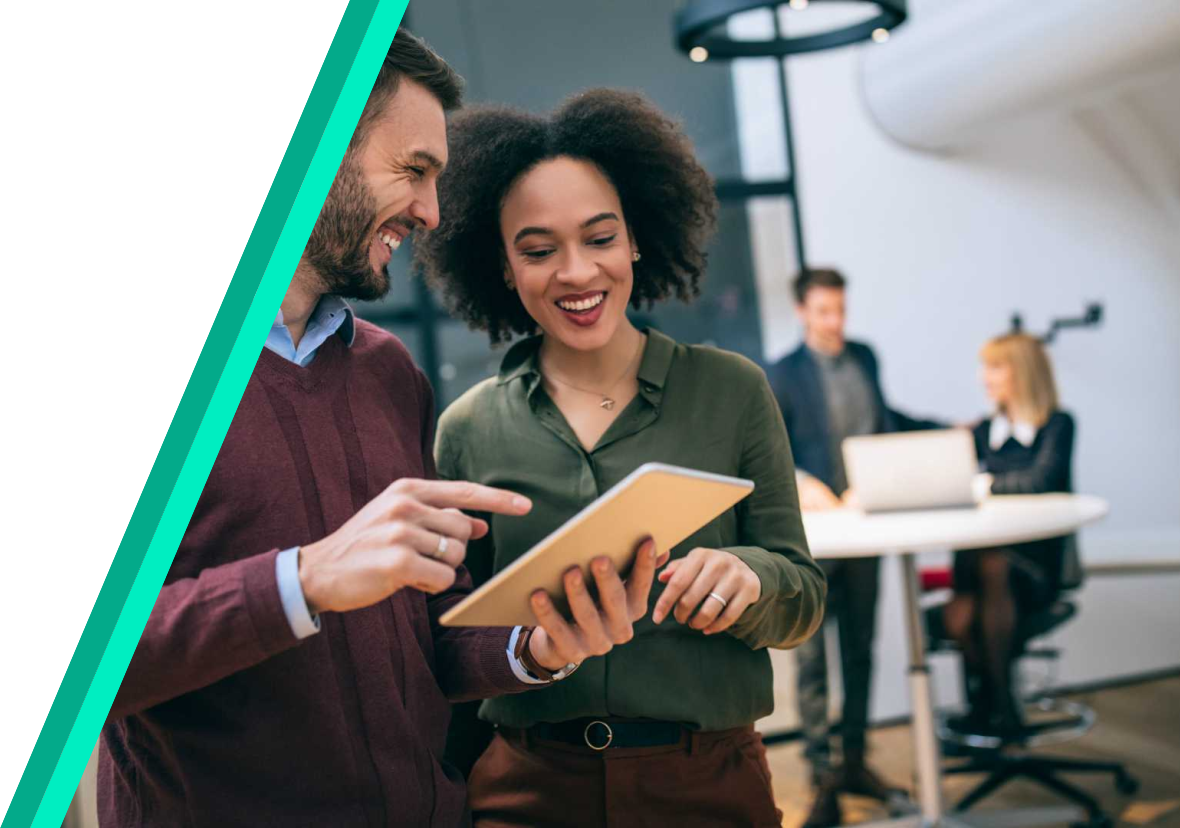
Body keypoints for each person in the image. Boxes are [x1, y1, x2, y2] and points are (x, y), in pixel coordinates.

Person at [99, 30, 657, 828]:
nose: (431, 212)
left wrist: (534, 648)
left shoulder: (391, 373)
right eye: (414, 171)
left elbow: (433, 627)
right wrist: (304, 579)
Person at [414, 89, 827, 827]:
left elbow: (802, 596)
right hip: (527, 788)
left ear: (636, 238)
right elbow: (445, 646)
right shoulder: (467, 430)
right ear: (504, 267)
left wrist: (750, 577)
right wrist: (531, 649)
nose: (576, 273)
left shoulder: (731, 391)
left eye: (601, 238)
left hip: (708, 785)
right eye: (538, 251)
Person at [766, 268, 942, 828]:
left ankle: (856, 762)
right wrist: (799, 480)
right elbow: (770, 447)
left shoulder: (864, 358)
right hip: (816, 538)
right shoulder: (783, 373)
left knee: (861, 649)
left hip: (866, 530)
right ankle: (822, 776)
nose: (835, 322)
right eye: (823, 312)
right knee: (812, 656)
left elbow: (885, 422)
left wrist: (946, 431)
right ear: (802, 312)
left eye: (840, 310)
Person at [942, 333, 1075, 739]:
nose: (986, 377)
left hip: (1033, 570)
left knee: (991, 566)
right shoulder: (982, 431)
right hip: (980, 571)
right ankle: (999, 708)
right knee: (965, 605)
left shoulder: (1057, 425)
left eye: (996, 367)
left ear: (1024, 372)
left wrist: (981, 484)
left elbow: (1041, 479)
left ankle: (994, 709)